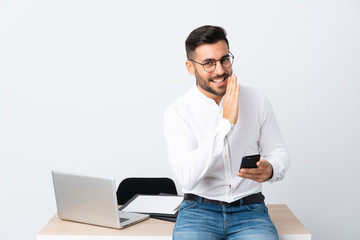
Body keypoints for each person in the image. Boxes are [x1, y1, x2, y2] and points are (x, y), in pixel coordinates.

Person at [163, 25, 290, 240]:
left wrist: (271, 169)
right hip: (198, 211)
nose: (220, 70)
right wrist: (225, 123)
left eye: (224, 59)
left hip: (250, 211)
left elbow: (278, 152)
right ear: (190, 67)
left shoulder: (256, 100)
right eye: (208, 64)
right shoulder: (178, 112)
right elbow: (187, 177)